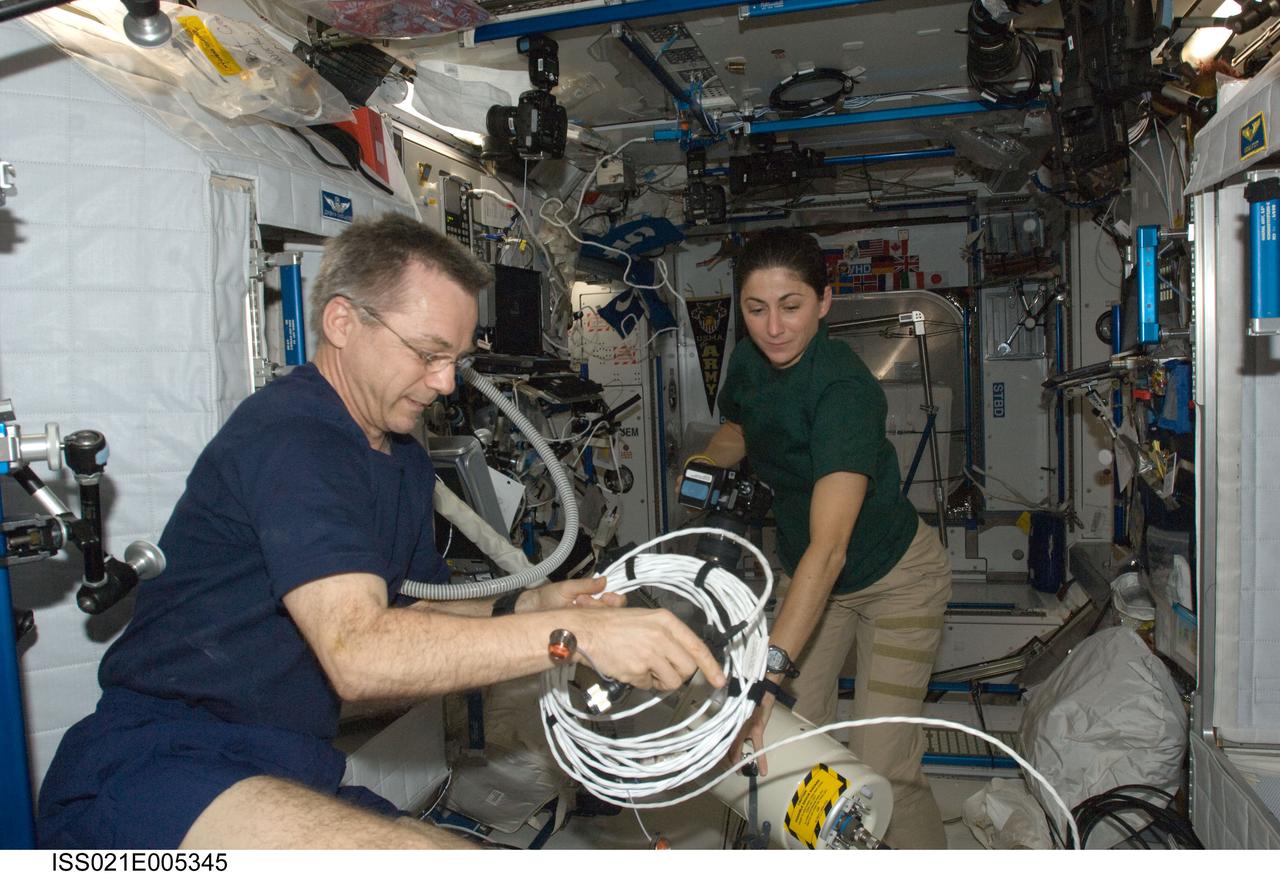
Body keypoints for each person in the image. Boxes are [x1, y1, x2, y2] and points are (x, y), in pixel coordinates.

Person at [37, 214, 724, 850]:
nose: (447, 382)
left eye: (456, 356)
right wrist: (577, 639)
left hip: (284, 760)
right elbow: (360, 654)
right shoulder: (293, 437)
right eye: (428, 352)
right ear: (342, 321)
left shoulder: (398, 457)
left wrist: (531, 606)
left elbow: (408, 616)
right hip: (161, 762)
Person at [708, 226, 952, 849]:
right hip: (814, 575)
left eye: (791, 306)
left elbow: (831, 546)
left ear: (825, 300)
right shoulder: (747, 363)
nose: (774, 327)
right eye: (755, 309)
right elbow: (740, 427)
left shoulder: (843, 389)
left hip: (894, 580)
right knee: (786, 742)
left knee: (884, 758)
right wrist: (707, 465)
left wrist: (768, 672)